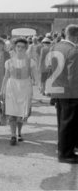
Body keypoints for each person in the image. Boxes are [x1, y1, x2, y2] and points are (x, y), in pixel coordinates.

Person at [48, 24, 78, 164]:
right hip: (70, 92)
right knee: (68, 123)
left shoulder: (55, 47)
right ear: (75, 36)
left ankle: (63, 147)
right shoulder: (73, 51)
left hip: (58, 90)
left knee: (62, 122)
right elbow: (73, 77)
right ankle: (65, 154)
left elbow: (50, 68)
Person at [0, 37, 37, 146]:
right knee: (12, 113)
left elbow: (35, 77)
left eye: (22, 47)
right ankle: (12, 135)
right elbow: (6, 77)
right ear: (14, 48)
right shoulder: (9, 62)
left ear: (26, 48)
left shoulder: (31, 62)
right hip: (12, 87)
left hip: (25, 87)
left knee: (21, 113)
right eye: (18, 46)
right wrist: (2, 90)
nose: (20, 49)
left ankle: (19, 133)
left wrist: (38, 86)